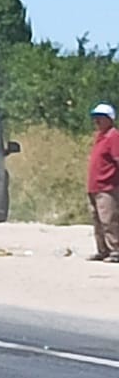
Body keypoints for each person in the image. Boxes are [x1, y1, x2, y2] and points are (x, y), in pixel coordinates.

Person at [87, 103, 119, 263]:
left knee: (109, 220)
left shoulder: (114, 136)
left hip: (107, 186)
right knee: (97, 220)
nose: (97, 121)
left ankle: (116, 250)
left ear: (109, 119)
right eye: (95, 117)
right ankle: (103, 250)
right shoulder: (100, 136)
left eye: (100, 117)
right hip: (95, 186)